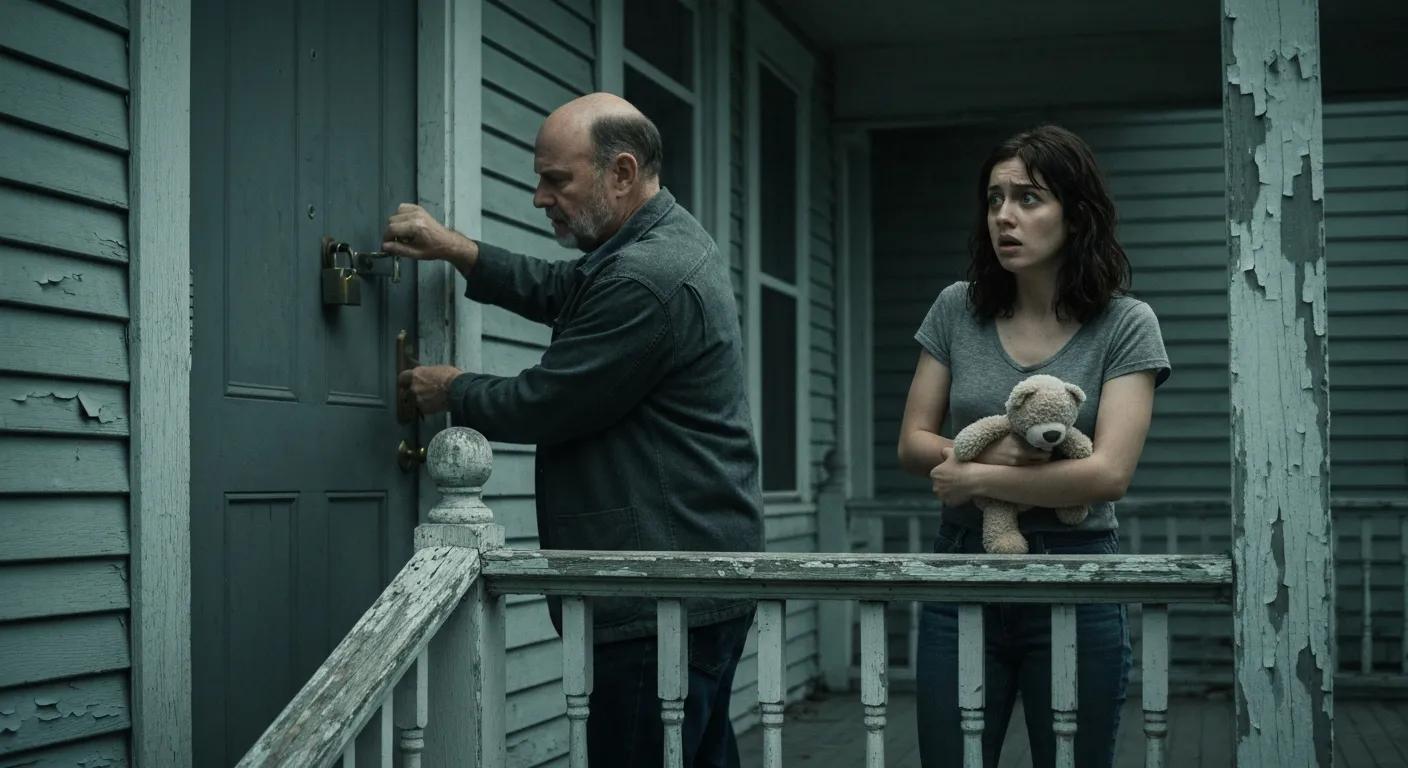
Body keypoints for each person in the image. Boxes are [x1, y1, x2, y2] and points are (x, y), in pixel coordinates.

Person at [386, 93, 763, 768]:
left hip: (655, 594)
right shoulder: (653, 239)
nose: (538, 197)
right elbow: (568, 290)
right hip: (682, 583)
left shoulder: (649, 276)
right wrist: (456, 249)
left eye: (555, 180)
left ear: (620, 172)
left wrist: (448, 390)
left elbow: (547, 402)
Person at [897, 124, 1170, 767]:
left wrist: (973, 479)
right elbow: (911, 442)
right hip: (961, 567)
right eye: (994, 199)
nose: (1004, 217)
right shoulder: (956, 309)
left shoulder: (1126, 323)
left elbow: (1106, 475)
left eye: (1028, 198)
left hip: (1077, 573)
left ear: (1076, 216)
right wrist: (991, 463)